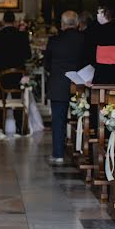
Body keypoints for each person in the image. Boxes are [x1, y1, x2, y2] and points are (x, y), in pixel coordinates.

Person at [44, 10, 85, 163]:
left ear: (62, 25)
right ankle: (82, 152)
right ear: (77, 24)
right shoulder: (84, 39)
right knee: (83, 118)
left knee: (58, 120)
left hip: (58, 83)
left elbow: (47, 64)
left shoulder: (54, 41)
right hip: (80, 83)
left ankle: (58, 154)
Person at [0, 10, 31, 76]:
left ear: (3, 21)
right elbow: (28, 55)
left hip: (1, 75)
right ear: (15, 21)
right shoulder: (22, 36)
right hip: (18, 74)